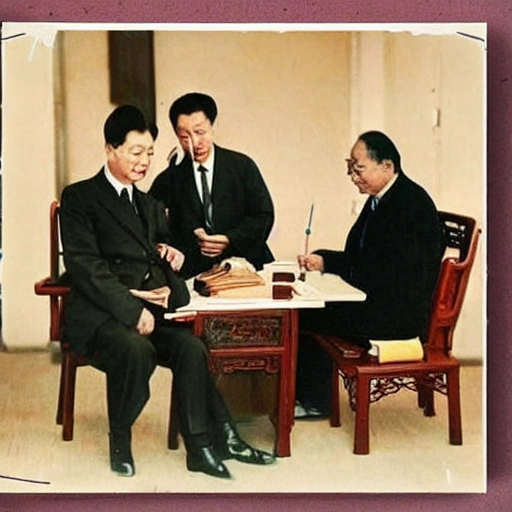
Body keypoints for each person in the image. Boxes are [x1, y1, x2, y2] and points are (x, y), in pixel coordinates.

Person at [59, 105, 275, 479]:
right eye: (135, 153)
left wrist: (168, 252)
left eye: (150, 154)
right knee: (135, 348)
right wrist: (132, 310)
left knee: (192, 348)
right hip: (100, 316)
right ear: (110, 149)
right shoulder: (80, 197)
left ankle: (201, 446)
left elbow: (156, 247)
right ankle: (120, 440)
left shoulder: (148, 203)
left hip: (147, 312)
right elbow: (85, 267)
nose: (144, 162)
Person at [295, 130, 445, 418]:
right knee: (309, 307)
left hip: (397, 316)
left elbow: (383, 272)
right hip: (380, 301)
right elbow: (362, 257)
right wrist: (323, 260)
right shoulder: (382, 198)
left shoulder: (409, 205)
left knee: (305, 315)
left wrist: (337, 271)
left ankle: (315, 402)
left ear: (387, 166)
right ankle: (312, 398)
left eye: (358, 167)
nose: (353, 175)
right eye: (350, 167)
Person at [149, 92, 275, 278]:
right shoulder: (168, 179)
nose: (195, 143)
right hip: (194, 274)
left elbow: (264, 215)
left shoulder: (242, 166)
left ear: (212, 127)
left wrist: (230, 239)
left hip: (248, 267)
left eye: (200, 132)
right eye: (185, 137)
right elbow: (152, 228)